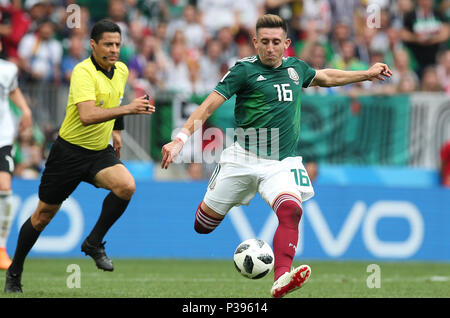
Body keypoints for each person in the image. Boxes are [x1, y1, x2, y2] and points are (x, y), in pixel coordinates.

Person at [161, 14, 392, 298]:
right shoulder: (242, 71)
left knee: (292, 210)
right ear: (255, 42)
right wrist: (180, 140)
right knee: (203, 226)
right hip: (241, 158)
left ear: (287, 44)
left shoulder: (296, 69)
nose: (270, 48)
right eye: (265, 42)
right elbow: (208, 106)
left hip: (281, 162)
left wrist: (366, 75)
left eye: (276, 42)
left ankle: (281, 277)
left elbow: (327, 76)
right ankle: (225, 204)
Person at [4, 19, 155, 293]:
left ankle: (93, 242)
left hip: (99, 152)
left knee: (126, 186)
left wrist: (117, 131)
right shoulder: (83, 72)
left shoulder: (120, 70)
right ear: (93, 44)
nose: (114, 49)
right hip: (68, 153)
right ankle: (15, 271)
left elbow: (117, 101)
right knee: (42, 216)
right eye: (108, 44)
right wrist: (126, 113)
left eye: (118, 44)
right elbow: (86, 116)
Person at [0, 40, 33, 270]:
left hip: (2, 137)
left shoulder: (8, 69)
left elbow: (13, 90)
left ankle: (1, 248)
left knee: (4, 186)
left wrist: (26, 109)